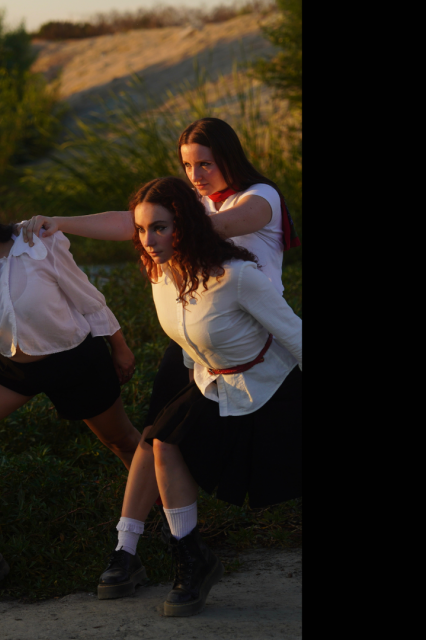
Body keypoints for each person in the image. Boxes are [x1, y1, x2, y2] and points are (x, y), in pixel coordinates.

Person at [18, 116, 300, 549]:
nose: (195, 176)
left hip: (254, 335)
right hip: (196, 332)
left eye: (204, 164)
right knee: (156, 436)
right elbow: (138, 220)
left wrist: (163, 220)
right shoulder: (196, 202)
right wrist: (61, 221)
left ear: (228, 156)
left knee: (226, 444)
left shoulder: (260, 198)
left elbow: (211, 230)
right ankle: (128, 548)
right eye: (187, 166)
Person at [0, 175, 141, 602]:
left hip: (73, 357)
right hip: (11, 368)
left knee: (122, 441)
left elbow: (84, 295)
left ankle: (163, 529)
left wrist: (119, 345)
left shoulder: (34, 242)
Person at [102, 176, 301, 617]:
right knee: (165, 441)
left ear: (186, 225)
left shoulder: (237, 276)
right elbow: (191, 341)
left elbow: (295, 335)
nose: (149, 240)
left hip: (275, 390)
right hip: (216, 383)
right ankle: (193, 559)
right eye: (141, 229)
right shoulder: (161, 273)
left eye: (160, 227)